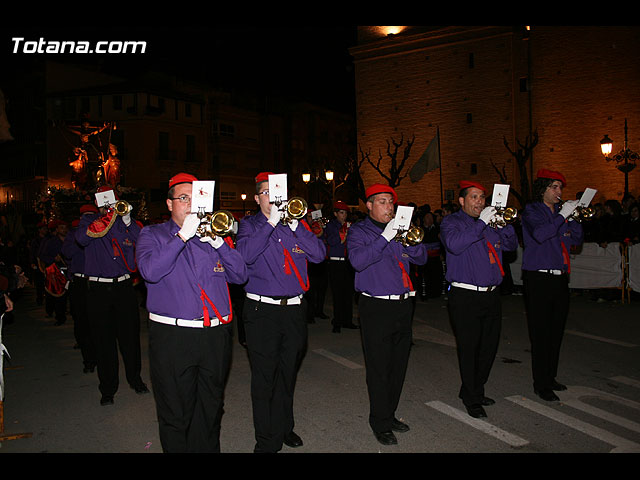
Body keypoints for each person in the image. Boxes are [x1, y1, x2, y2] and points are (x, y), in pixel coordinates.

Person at [136, 173, 247, 453]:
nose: (189, 203)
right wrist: (183, 235)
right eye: (183, 198)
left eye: (195, 197)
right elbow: (150, 272)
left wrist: (219, 243)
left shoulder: (214, 236)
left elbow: (241, 275)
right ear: (170, 203)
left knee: (210, 408)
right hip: (173, 337)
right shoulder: (153, 234)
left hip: (214, 336)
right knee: (175, 411)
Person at [236, 172, 326, 453]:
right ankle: (266, 440)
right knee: (265, 377)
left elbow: (319, 254)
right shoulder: (249, 225)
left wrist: (297, 224)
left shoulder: (296, 225)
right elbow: (244, 256)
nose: (273, 199)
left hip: (295, 310)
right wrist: (272, 221)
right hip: (262, 310)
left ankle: (284, 426)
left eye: (277, 195)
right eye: (266, 193)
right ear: (256, 197)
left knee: (288, 374)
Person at [347, 184, 428, 446]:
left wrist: (408, 238)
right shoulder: (360, 231)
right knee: (379, 368)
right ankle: (379, 421)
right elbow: (358, 261)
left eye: (391, 202)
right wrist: (385, 237)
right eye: (382, 202)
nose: (389, 207)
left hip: (403, 305)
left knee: (398, 366)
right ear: (369, 206)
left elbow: (422, 258)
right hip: (376, 306)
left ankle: (389, 414)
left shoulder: (401, 229)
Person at [440, 181, 518, 418]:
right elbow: (454, 246)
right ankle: (472, 397)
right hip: (465, 295)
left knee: (489, 347)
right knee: (469, 347)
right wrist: (482, 222)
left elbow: (512, 245)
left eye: (482, 197)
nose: (480, 202)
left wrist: (503, 225)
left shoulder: (491, 223)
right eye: (474, 197)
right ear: (462, 201)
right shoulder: (451, 223)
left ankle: (473, 389)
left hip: (491, 293)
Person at [75, 186, 148, 406]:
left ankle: (135, 379)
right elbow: (81, 239)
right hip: (98, 289)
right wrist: (103, 219)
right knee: (103, 340)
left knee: (130, 337)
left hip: (123, 287)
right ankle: (107, 388)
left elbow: (141, 239)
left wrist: (126, 219)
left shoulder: (124, 224)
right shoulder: (89, 222)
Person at [521, 169, 583, 402]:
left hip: (559, 277)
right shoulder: (532, 211)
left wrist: (574, 218)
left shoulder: (561, 213)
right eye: (554, 187)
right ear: (543, 189)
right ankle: (541, 383)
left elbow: (576, 240)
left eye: (560, 188)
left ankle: (551, 377)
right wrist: (561, 217)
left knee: (556, 330)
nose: (559, 192)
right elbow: (540, 234)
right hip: (538, 277)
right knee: (540, 332)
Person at [62, 205, 99, 373]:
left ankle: (99, 356)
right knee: (82, 322)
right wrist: (82, 238)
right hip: (80, 281)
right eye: (86, 216)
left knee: (98, 323)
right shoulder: (73, 235)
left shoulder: (100, 232)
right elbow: (67, 253)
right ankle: (89, 360)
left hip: (97, 281)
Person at [325, 200, 358, 333]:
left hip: (348, 261)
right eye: (341, 213)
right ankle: (337, 321)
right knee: (338, 293)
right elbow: (332, 241)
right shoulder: (331, 226)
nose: (344, 216)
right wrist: (343, 234)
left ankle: (347, 320)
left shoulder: (350, 226)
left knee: (348, 293)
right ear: (336, 214)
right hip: (336, 262)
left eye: (345, 213)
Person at [38, 219, 69, 325]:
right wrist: (53, 259)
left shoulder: (71, 240)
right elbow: (42, 256)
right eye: (61, 228)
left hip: (70, 270)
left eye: (65, 228)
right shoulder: (51, 242)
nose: (64, 230)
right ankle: (60, 317)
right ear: (57, 229)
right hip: (56, 271)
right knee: (59, 295)